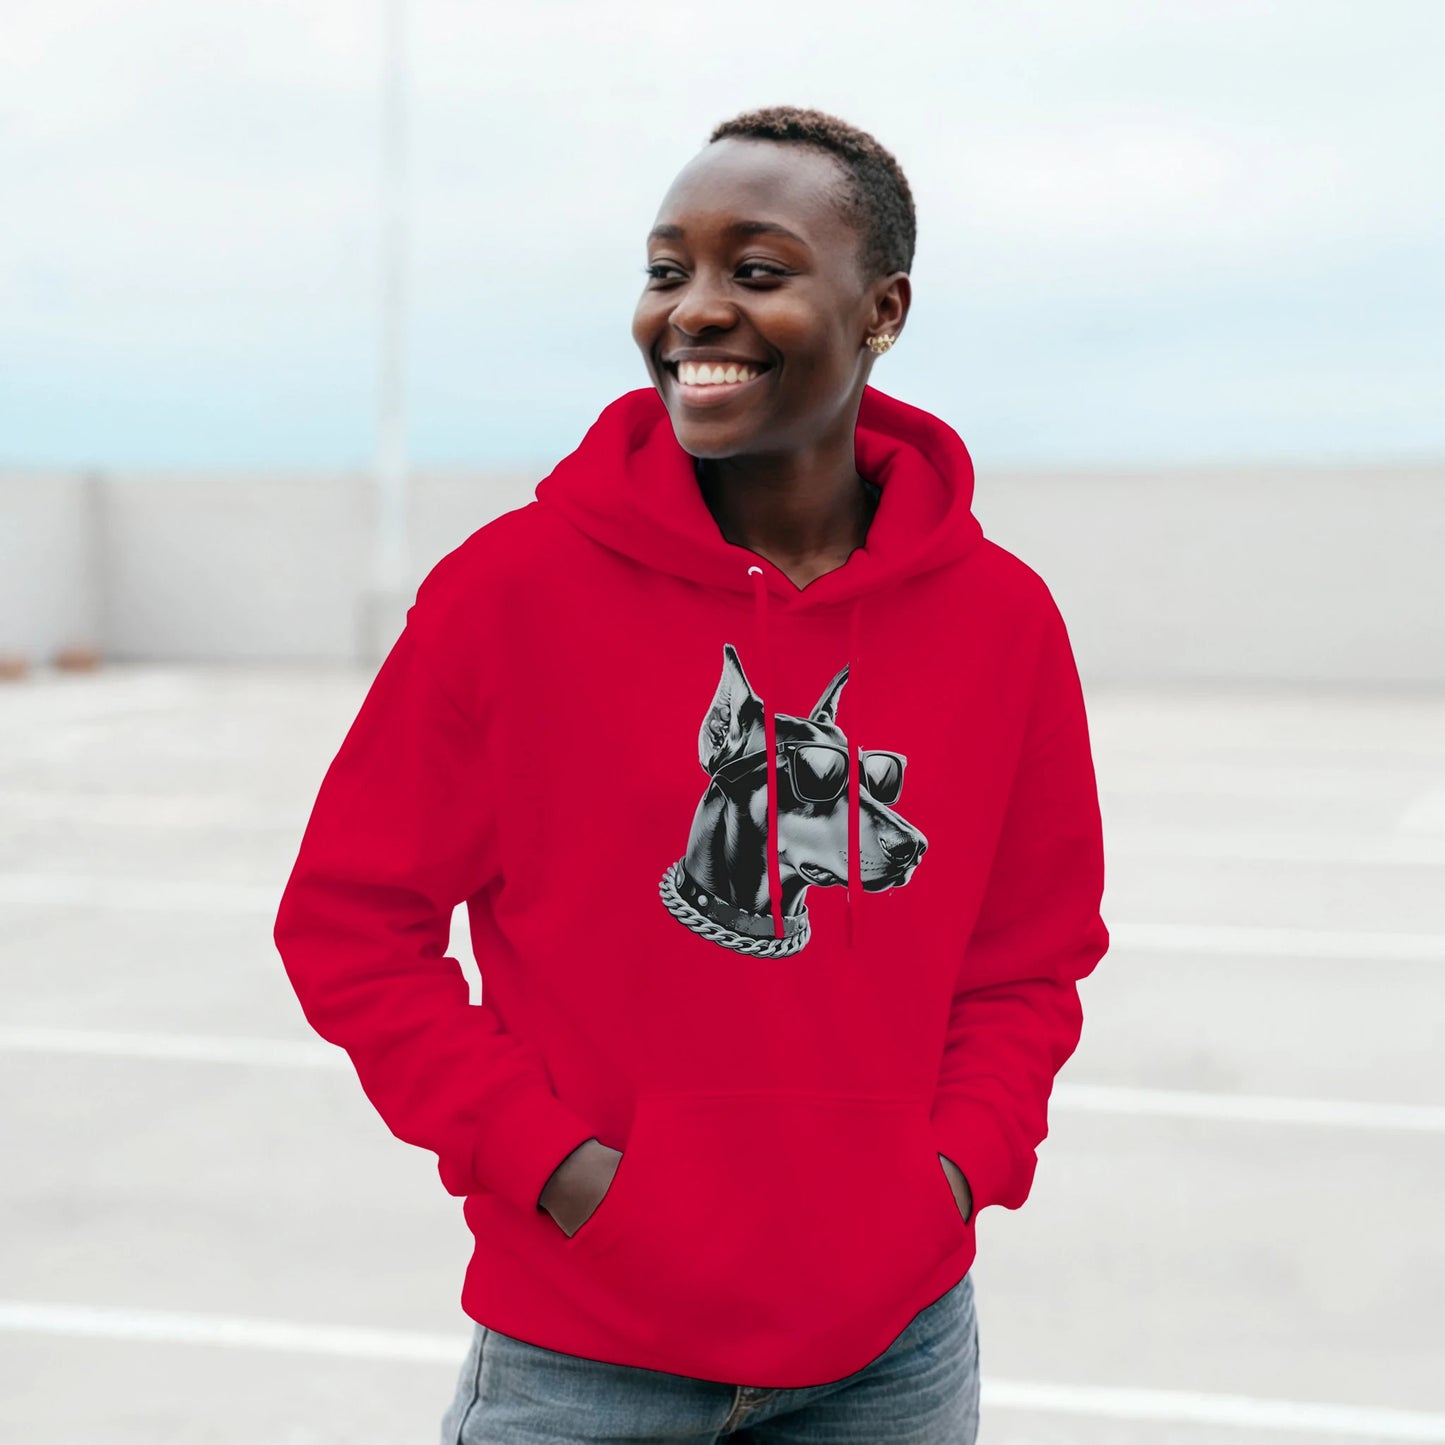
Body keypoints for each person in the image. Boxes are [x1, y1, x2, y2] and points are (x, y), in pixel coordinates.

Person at [273, 104, 1110, 1444]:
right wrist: (553, 1167)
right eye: (669, 272)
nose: (694, 310)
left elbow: (1029, 951)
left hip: (891, 1357)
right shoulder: (507, 594)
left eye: (756, 272)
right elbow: (348, 926)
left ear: (880, 308)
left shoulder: (1001, 620)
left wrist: (956, 1168)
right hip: (580, 1357)